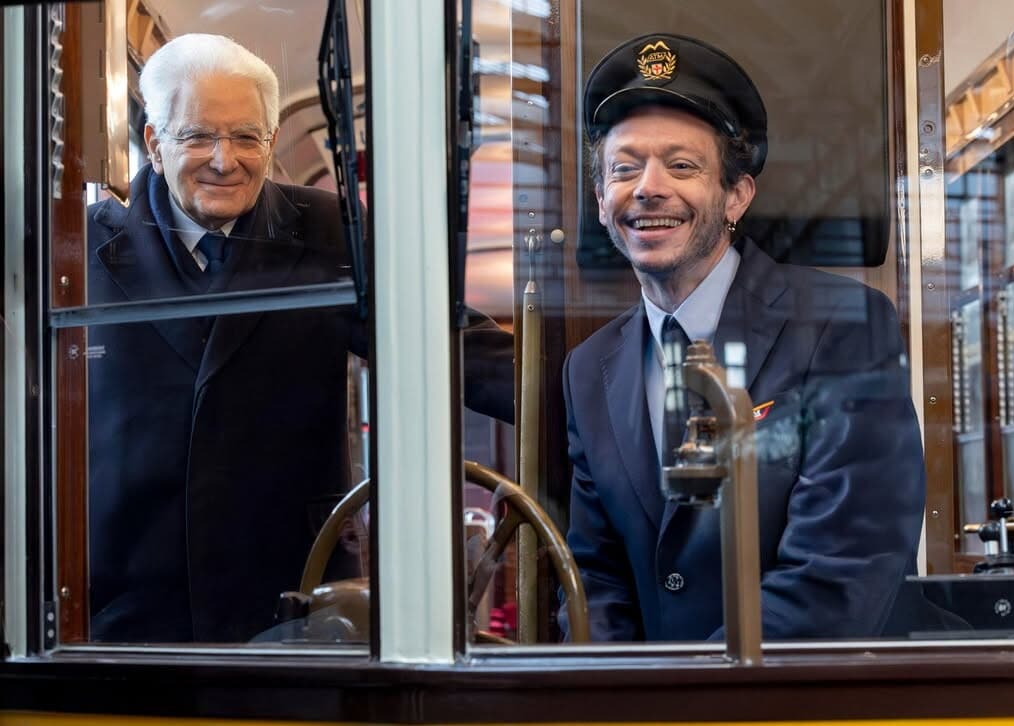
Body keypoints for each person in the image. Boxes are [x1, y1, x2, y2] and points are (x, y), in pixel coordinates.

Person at [86, 33, 512, 643]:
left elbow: (444, 341)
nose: (224, 160)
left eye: (246, 137)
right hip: (126, 600)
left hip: (292, 589)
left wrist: (588, 398)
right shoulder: (78, 251)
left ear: (270, 140)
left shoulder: (326, 229)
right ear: (154, 143)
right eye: (198, 136)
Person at [561, 33, 926, 641]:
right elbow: (595, 580)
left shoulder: (844, 326)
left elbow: (840, 573)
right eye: (624, 169)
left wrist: (695, 688)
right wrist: (616, 686)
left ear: (736, 196)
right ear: (602, 202)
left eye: (682, 165)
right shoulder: (588, 368)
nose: (648, 187)